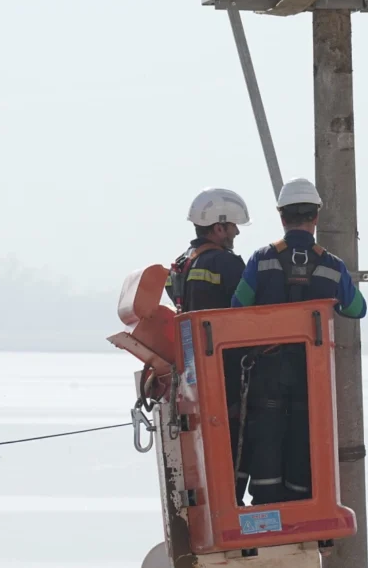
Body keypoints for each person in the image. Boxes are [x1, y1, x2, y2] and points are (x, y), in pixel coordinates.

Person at [229, 177, 367, 505]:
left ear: (282, 216)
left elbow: (236, 309)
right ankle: (301, 506)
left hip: (266, 372)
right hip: (312, 377)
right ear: (315, 217)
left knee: (267, 438)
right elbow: (357, 308)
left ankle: (266, 506)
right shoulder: (332, 267)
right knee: (305, 439)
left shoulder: (262, 259)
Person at [163, 187, 251, 505]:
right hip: (226, 371)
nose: (237, 232)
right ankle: (232, 502)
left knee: (210, 444)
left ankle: (215, 498)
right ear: (218, 227)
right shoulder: (225, 264)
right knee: (237, 439)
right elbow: (250, 311)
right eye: (232, 226)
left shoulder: (181, 265)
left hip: (195, 372)